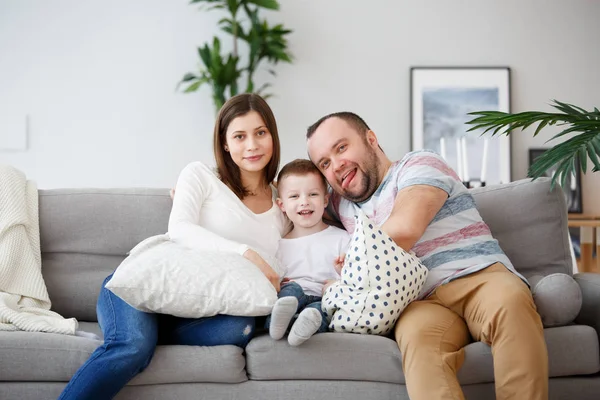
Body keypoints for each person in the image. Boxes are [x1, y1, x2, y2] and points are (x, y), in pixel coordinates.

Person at [58, 93, 291, 400]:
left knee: (240, 329)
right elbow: (180, 229)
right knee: (132, 347)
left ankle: (151, 334)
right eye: (239, 136)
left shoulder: (284, 204)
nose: (252, 145)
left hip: (197, 311)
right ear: (224, 143)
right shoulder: (200, 176)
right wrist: (247, 254)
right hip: (138, 290)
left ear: (272, 135)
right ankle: (141, 337)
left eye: (261, 133)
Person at [306, 112, 548, 400]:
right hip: (419, 301)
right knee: (418, 342)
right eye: (325, 163)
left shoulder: (418, 164)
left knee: (510, 304)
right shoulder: (338, 204)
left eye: (341, 148)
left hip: (478, 276)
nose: (336, 165)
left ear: (371, 139)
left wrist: (355, 259)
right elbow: (282, 194)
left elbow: (406, 228)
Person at [265, 159, 350, 346]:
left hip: (323, 297)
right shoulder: (277, 245)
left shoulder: (343, 239)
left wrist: (340, 276)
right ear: (281, 205)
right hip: (292, 295)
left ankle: (299, 327)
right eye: (294, 196)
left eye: (312, 194)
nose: (304, 202)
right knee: (290, 292)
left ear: (325, 200)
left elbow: (356, 280)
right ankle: (277, 321)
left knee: (320, 311)